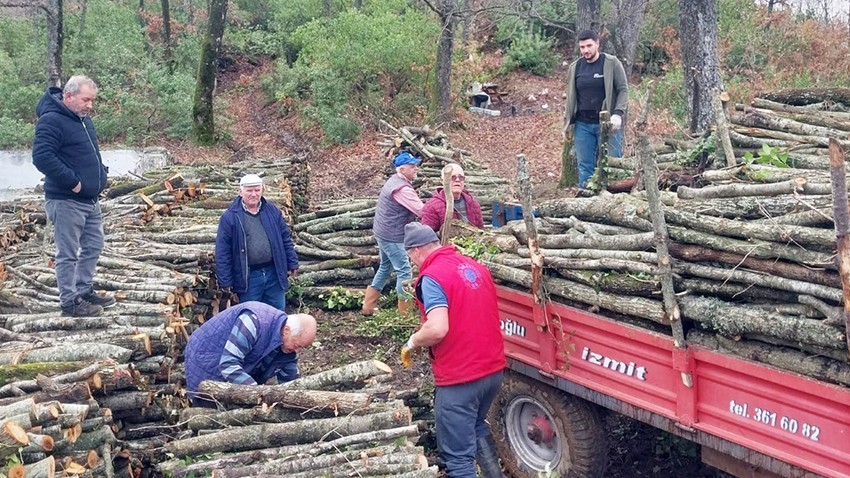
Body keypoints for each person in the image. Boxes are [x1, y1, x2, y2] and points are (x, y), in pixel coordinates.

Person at [400, 222, 506, 478]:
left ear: (415, 251)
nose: (412, 262)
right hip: (492, 370)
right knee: (477, 427)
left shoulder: (433, 277)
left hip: (461, 377)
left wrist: (413, 342)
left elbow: (437, 328)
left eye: (410, 256)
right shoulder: (474, 266)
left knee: (457, 458)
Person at [32, 75, 115, 317]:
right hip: (66, 200)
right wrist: (74, 183)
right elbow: (42, 157)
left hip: (90, 200)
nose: (90, 105)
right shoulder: (51, 120)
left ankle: (83, 289)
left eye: (92, 100)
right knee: (67, 252)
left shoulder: (83, 120)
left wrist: (100, 175)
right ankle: (69, 302)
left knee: (93, 246)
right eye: (86, 99)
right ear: (69, 96)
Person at [184, 301, 317, 408]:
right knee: (210, 410)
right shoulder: (254, 321)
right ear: (286, 331)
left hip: (243, 362)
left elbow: (291, 382)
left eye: (302, 347)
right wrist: (257, 393)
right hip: (207, 356)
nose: (298, 351)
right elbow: (228, 365)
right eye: (298, 345)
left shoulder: (289, 346)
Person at [215, 174, 299, 310]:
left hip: (274, 273)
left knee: (277, 315)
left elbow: (284, 238)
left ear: (262, 190)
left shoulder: (271, 211)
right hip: (248, 278)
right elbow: (222, 251)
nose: (253, 194)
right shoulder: (230, 217)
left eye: (257, 190)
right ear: (240, 191)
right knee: (251, 317)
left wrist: (292, 261)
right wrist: (226, 281)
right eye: (249, 190)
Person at [563, 30, 629, 188]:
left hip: (609, 124)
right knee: (585, 166)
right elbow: (572, 98)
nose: (586, 50)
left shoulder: (611, 63)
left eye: (589, 46)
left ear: (597, 43)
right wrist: (568, 124)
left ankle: (614, 201)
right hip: (582, 125)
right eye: (582, 47)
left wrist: (618, 114)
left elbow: (623, 90)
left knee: (613, 164)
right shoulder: (575, 67)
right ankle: (586, 201)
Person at [361, 151, 425, 316]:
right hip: (392, 235)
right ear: (402, 170)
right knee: (404, 271)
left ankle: (368, 307)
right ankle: (405, 314)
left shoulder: (394, 180)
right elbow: (421, 210)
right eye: (412, 166)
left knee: (385, 266)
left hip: (383, 231)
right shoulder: (402, 188)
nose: (415, 169)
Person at [420, 163, 484, 232]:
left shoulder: (473, 203)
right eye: (452, 177)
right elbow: (428, 237)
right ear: (442, 181)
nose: (457, 180)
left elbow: (480, 231)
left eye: (461, 177)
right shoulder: (431, 206)